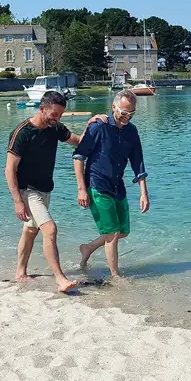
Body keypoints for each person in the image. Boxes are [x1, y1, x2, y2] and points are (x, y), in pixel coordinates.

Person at [5, 90, 106, 292]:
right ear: (42, 109)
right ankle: (60, 279)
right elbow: (9, 169)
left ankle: (20, 273)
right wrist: (18, 201)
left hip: (44, 190)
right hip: (27, 191)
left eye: (60, 115)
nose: (57, 118)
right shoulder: (22, 132)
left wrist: (91, 124)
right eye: (54, 114)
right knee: (50, 229)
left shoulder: (55, 128)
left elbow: (78, 141)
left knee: (31, 231)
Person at [72, 89, 150, 279]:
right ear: (114, 107)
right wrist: (81, 189)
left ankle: (88, 248)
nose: (127, 117)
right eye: (124, 113)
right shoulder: (99, 126)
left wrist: (143, 193)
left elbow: (138, 161)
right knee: (113, 234)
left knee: (123, 231)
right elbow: (79, 156)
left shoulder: (132, 131)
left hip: (117, 186)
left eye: (131, 113)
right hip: (97, 184)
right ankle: (115, 276)